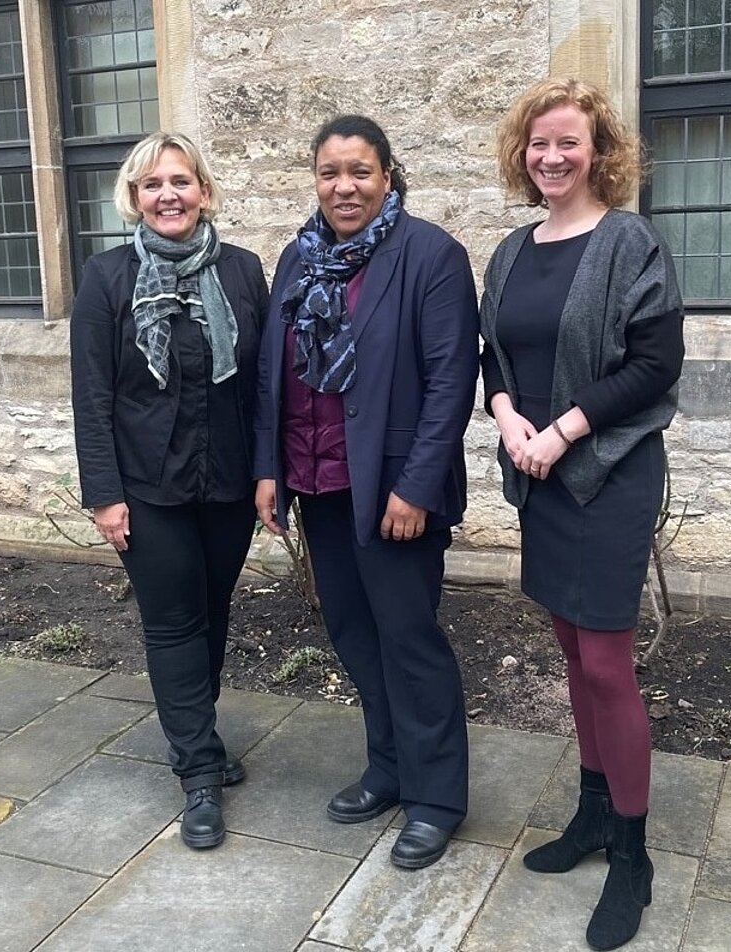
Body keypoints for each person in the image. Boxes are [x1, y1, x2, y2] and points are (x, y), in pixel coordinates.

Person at [480, 79, 685, 949]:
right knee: (570, 650)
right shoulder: (512, 251)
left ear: (600, 151)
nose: (552, 157)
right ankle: (595, 812)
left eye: (568, 141)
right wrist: (505, 415)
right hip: (540, 475)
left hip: (607, 475)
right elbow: (493, 354)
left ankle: (633, 857)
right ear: (522, 153)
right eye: (539, 143)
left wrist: (562, 429)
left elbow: (655, 366)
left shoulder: (631, 243)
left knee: (605, 664)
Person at [254, 115, 479, 869]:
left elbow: (450, 381)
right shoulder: (297, 257)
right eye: (330, 173)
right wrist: (268, 469)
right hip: (319, 483)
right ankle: (388, 767)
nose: (344, 187)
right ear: (315, 181)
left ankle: (436, 798)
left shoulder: (431, 255)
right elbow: (274, 372)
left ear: (387, 175)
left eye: (359, 172)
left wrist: (415, 488)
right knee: (354, 634)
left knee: (408, 640)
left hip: (392, 493)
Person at [70, 131, 269, 851]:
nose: (168, 195)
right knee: (174, 622)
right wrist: (103, 494)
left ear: (204, 191)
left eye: (180, 181)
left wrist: (268, 474)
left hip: (228, 482)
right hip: (146, 489)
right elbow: (92, 395)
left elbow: (263, 386)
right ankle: (199, 775)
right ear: (134, 198)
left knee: (211, 612)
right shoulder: (107, 277)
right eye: (152, 184)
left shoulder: (242, 271)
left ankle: (197, 736)